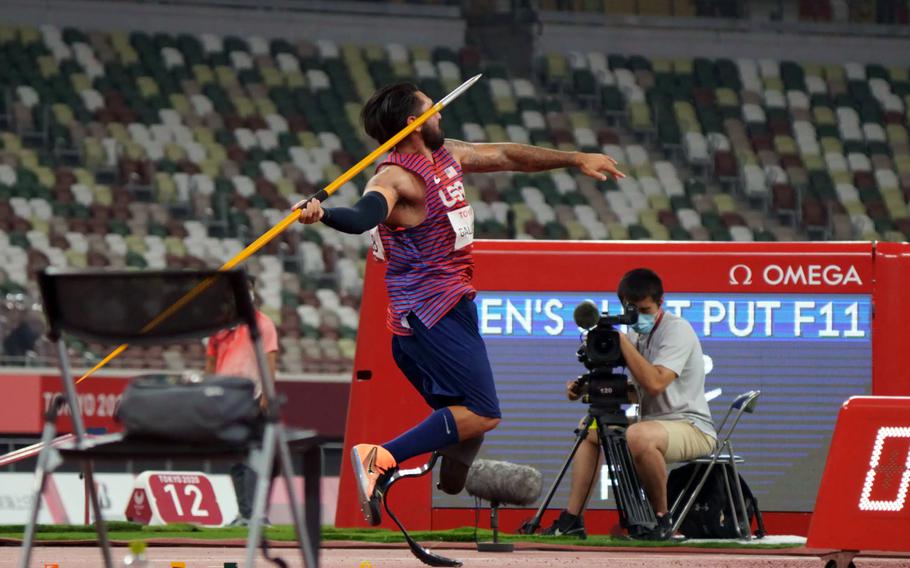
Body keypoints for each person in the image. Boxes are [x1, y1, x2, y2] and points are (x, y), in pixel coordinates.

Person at [295, 81, 625, 525]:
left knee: (460, 452)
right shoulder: (394, 177)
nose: (441, 114)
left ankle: (419, 474)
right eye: (434, 109)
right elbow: (363, 216)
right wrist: (324, 213)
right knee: (484, 413)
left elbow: (507, 155)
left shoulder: (446, 152)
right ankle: (380, 458)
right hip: (430, 312)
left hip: (451, 304)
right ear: (412, 124)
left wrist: (575, 158)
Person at [544, 268, 716, 539]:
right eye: (632, 309)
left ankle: (661, 520)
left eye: (645, 309)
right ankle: (572, 519)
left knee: (638, 435)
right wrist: (584, 388)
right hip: (654, 424)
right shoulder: (636, 336)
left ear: (661, 302)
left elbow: (655, 384)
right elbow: (634, 392)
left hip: (692, 426)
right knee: (590, 429)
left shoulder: (677, 330)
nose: (639, 316)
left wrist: (622, 342)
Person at [204, 277, 278, 527]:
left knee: (254, 456)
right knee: (236, 457)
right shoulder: (220, 327)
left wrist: (267, 396)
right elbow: (211, 364)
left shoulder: (263, 325)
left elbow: (269, 362)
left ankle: (257, 514)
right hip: (224, 399)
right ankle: (244, 513)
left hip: (252, 398)